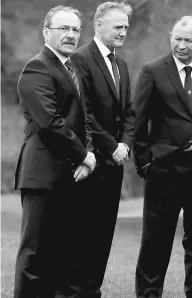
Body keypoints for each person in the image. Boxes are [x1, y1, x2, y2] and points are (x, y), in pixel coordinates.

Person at [133, 16, 192, 298]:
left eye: (188, 40)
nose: (182, 45)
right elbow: (137, 120)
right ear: (170, 37)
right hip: (164, 168)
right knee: (156, 241)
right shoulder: (153, 71)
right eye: (177, 38)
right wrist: (145, 163)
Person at [14, 5, 96, 298]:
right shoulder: (37, 67)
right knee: (36, 254)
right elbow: (49, 122)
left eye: (75, 29)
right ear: (46, 32)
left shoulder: (71, 68)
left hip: (68, 174)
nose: (71, 35)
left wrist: (86, 155)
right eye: (64, 29)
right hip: (43, 175)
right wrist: (83, 155)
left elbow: (82, 119)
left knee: (62, 254)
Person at [70, 2, 134, 297]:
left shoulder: (120, 64)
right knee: (82, 233)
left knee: (104, 234)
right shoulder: (80, 59)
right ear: (98, 26)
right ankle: (77, 290)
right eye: (118, 26)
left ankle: (93, 290)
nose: (124, 31)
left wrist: (125, 146)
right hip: (91, 160)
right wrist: (110, 147)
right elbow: (84, 112)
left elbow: (129, 113)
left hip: (115, 164)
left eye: (126, 26)